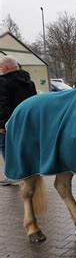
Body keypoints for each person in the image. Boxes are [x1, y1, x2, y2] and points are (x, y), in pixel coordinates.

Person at [0, 56, 37, 185]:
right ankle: (31, 171)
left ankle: (12, 175)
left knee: (6, 147)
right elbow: (34, 103)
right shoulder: (29, 82)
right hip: (27, 122)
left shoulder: (3, 82)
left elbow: (2, 105)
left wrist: (1, 125)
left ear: (5, 67)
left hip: (9, 123)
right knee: (26, 147)